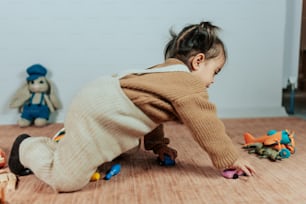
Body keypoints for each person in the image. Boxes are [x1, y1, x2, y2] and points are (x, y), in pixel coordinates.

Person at [8, 21, 256, 192]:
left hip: (100, 102)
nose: (212, 80)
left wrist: (159, 146)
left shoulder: (165, 74)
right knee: (66, 179)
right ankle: (27, 147)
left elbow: (149, 111)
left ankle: (64, 145)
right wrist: (228, 159)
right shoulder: (189, 84)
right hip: (100, 112)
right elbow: (207, 124)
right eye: (215, 72)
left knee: (119, 149)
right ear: (198, 61)